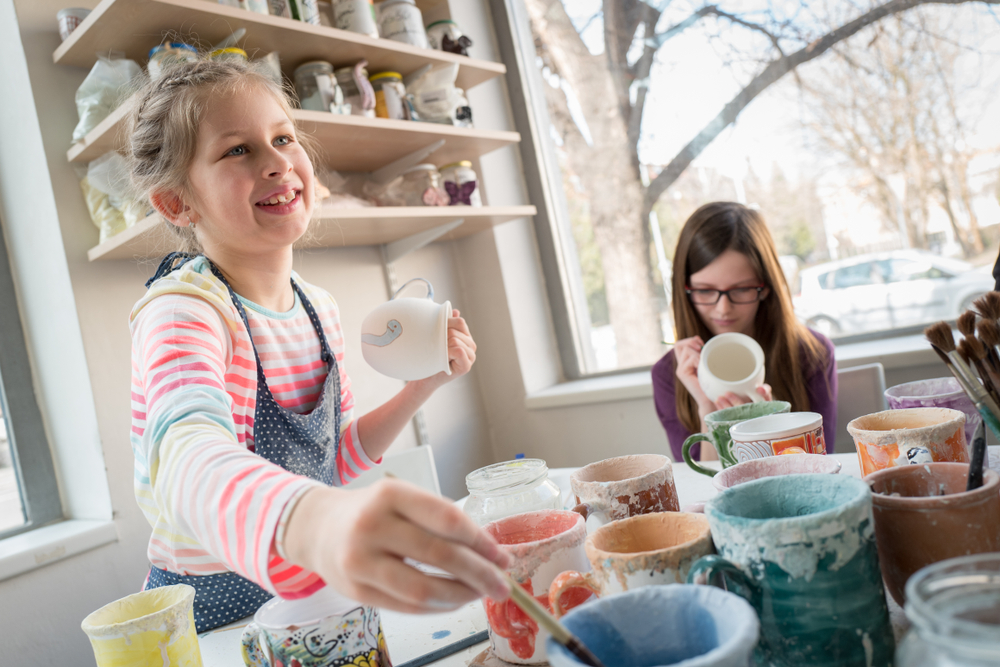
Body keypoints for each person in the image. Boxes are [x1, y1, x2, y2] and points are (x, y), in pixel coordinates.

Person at [125, 59, 509, 632]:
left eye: (282, 138)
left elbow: (335, 459)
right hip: (211, 616)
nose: (278, 161)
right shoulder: (182, 312)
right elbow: (186, 460)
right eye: (238, 150)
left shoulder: (318, 308)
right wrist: (314, 524)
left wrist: (423, 385)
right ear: (178, 203)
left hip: (304, 586)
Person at [651, 202, 837, 462]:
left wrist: (772, 429)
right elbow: (699, 485)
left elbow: (821, 464)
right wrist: (708, 409)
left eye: (740, 289)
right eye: (705, 290)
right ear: (685, 290)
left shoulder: (811, 353)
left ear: (766, 288)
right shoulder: (671, 374)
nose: (723, 308)